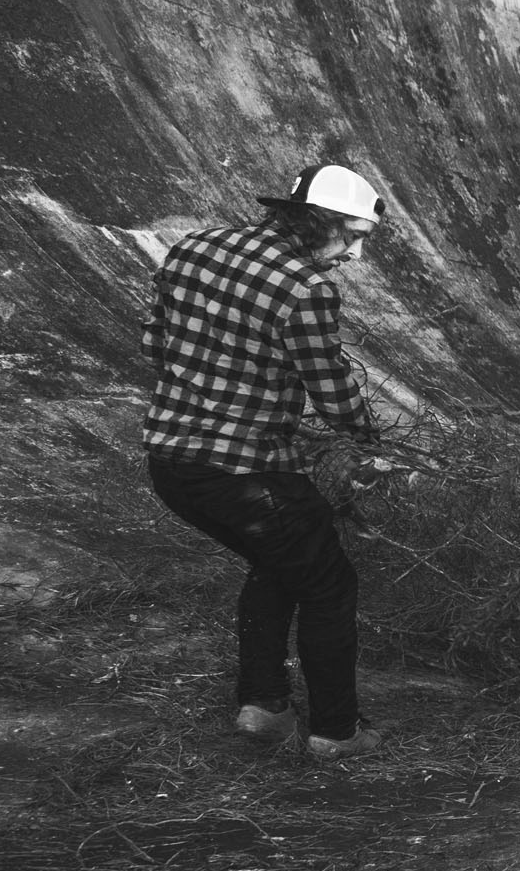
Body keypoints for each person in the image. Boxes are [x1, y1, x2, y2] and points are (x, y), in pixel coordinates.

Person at [144, 165, 388, 760]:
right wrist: (370, 442)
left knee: (278, 563)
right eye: (353, 236)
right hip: (247, 474)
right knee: (330, 585)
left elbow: (155, 342)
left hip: (171, 463)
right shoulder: (306, 288)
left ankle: (263, 708)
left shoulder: (194, 247)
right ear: (320, 221)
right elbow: (330, 388)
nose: (355, 255)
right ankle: (337, 732)